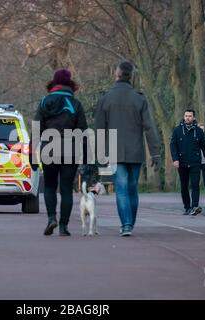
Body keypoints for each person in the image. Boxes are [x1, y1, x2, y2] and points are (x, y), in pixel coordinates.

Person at [95, 61, 161, 237]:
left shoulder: (105, 99)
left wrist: (100, 156)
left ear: (116, 75)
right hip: (135, 150)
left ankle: (126, 224)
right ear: (131, 76)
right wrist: (155, 151)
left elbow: (100, 131)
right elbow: (149, 127)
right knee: (132, 189)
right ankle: (130, 222)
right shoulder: (139, 98)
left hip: (114, 151)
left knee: (121, 189)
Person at [32, 69, 88, 236]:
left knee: (49, 186)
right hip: (70, 150)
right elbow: (82, 132)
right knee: (66, 189)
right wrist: (86, 156)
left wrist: (32, 155)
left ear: (54, 83)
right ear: (69, 84)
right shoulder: (76, 104)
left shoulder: (44, 102)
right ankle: (64, 226)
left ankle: (51, 219)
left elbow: (36, 130)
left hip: (49, 149)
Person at [170, 110, 205, 216]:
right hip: (182, 162)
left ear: (193, 118)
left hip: (195, 162)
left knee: (195, 185)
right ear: (184, 117)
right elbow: (173, 146)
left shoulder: (198, 131)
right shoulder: (177, 130)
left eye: (190, 116)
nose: (187, 118)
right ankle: (187, 207)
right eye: (186, 116)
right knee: (184, 186)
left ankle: (195, 206)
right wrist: (175, 159)